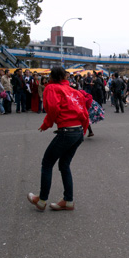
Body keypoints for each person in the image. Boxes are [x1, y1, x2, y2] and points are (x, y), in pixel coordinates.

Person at [27, 66, 89, 211]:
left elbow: (53, 108)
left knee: (47, 163)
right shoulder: (75, 91)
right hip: (78, 131)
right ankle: (68, 200)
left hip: (66, 131)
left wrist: (46, 124)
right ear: (65, 77)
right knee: (64, 165)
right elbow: (85, 112)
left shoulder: (52, 88)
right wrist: (83, 131)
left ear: (51, 77)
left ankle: (41, 200)